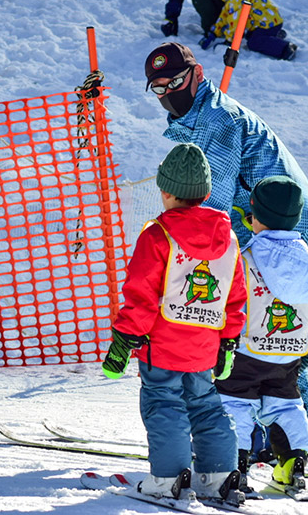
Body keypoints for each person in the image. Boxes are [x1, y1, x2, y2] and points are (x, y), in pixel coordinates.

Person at [144, 41, 308, 451]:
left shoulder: (217, 120)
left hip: (283, 228)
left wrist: (173, 264)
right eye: (157, 88)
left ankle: (264, 439)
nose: (167, 93)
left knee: (267, 337)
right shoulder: (203, 115)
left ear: (196, 74)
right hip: (271, 228)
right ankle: (282, 437)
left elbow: (211, 211)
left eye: (174, 82)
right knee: (270, 336)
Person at [101, 143, 247, 505]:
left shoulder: (157, 235)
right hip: (203, 347)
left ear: (165, 191)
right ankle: (218, 475)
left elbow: (142, 293)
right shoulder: (228, 239)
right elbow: (234, 295)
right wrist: (229, 341)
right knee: (205, 405)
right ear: (206, 193)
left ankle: (169, 479)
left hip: (162, 345)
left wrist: (124, 340)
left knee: (164, 403)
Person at [214, 176, 308, 495]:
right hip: (288, 353)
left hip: (246, 353)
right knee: (285, 407)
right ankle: (292, 465)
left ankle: (231, 467)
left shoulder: (247, 258)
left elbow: (231, 301)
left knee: (234, 404)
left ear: (256, 216)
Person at [198, 0, 297, 61]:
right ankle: (275, 35)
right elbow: (224, 16)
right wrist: (214, 33)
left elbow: (236, 25)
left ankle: (285, 48)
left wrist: (229, 42)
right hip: (266, 22)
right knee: (250, 35)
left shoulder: (238, 1)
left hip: (268, 23)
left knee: (254, 43)